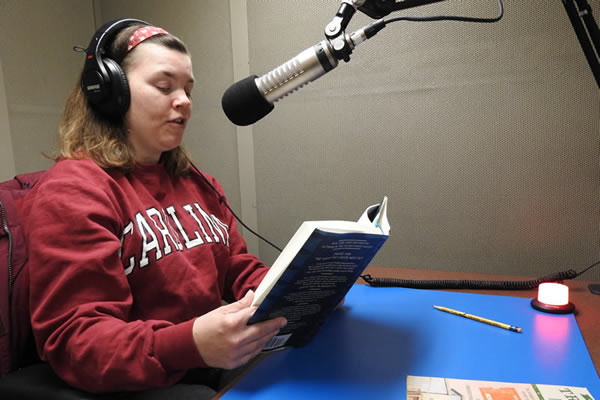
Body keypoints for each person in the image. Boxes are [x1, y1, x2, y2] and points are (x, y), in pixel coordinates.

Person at [17, 18, 286, 398]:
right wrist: (188, 344)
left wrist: (298, 291)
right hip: (136, 379)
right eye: (164, 86)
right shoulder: (72, 191)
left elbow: (236, 268)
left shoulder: (196, 181)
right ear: (110, 93)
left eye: (188, 89)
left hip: (201, 362)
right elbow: (77, 341)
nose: (184, 102)